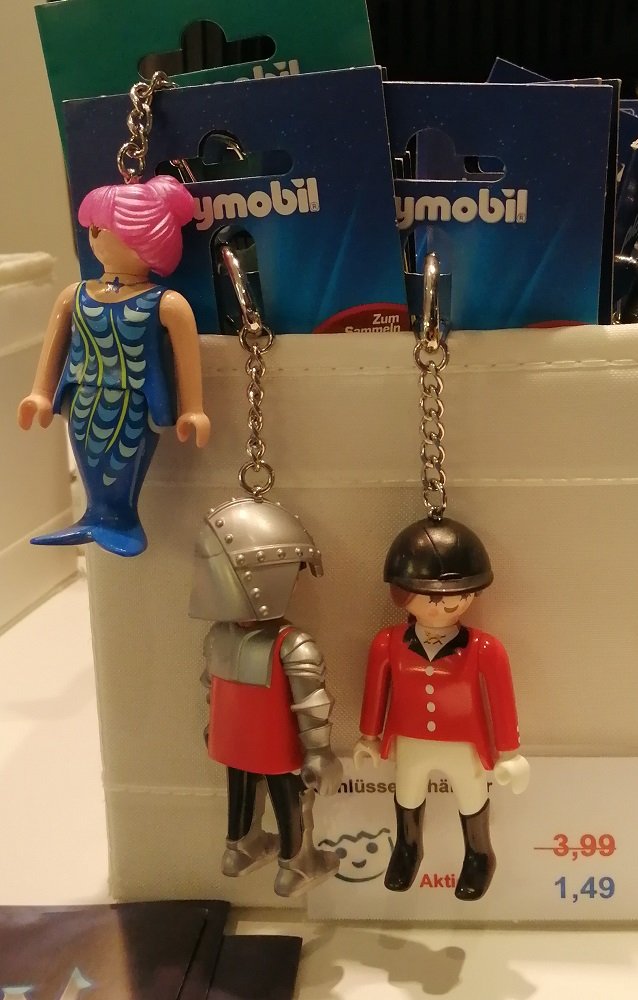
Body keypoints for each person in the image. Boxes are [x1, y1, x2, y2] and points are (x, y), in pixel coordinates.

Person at [17, 176, 210, 557]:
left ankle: (121, 519)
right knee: (88, 459)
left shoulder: (167, 303)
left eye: (104, 227)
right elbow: (54, 348)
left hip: (133, 404)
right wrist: (40, 393)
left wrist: (194, 409)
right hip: (81, 398)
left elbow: (186, 357)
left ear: (146, 236)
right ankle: (95, 515)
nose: (95, 234)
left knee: (122, 459)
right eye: (93, 227)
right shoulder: (74, 295)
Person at [354, 516, 530, 901]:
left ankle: (479, 853)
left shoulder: (485, 648)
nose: (445, 604)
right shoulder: (387, 643)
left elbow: (502, 699)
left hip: (463, 742)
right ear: (403, 593)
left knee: (470, 794)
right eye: (430, 596)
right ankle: (408, 848)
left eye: (459, 594)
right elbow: (376, 692)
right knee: (408, 792)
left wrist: (510, 752)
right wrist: (368, 736)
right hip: (410, 739)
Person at [189, 497, 342, 897]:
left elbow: (210, 687)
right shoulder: (293, 644)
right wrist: (319, 753)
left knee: (240, 789)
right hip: (276, 748)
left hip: (231, 741)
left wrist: (212, 727)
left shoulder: (218, 635)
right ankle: (297, 864)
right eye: (291, 573)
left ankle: (240, 849)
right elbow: (312, 705)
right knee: (292, 799)